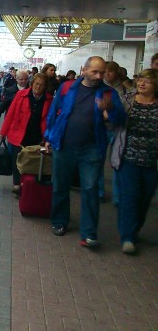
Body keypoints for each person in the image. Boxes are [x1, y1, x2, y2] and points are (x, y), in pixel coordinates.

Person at [44, 56, 126, 248]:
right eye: (94, 71)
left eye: (102, 72)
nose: (99, 76)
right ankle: (59, 222)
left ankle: (89, 233)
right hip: (63, 145)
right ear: (84, 70)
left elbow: (121, 119)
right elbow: (53, 113)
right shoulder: (67, 88)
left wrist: (110, 109)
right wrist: (48, 136)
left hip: (91, 149)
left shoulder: (108, 93)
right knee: (60, 186)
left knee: (89, 190)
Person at [110, 69, 158, 255]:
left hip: (152, 162)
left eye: (148, 81)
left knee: (144, 200)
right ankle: (127, 236)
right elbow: (115, 120)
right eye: (140, 79)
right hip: (128, 157)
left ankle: (134, 229)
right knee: (129, 197)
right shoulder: (128, 101)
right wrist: (108, 112)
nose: (142, 83)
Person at [0, 73, 52, 195]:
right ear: (32, 83)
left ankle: (27, 185)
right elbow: (11, 114)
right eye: (36, 84)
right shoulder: (21, 95)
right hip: (19, 133)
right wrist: (3, 132)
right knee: (17, 160)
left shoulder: (49, 100)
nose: (38, 87)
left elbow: (51, 119)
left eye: (41, 85)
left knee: (31, 162)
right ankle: (17, 184)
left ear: (45, 87)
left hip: (38, 135)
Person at [100, 61, 135, 204]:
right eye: (105, 71)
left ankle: (118, 196)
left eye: (110, 71)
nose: (107, 74)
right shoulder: (99, 86)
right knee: (98, 160)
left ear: (117, 72)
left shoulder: (125, 88)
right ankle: (99, 192)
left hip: (119, 127)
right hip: (102, 126)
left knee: (117, 161)